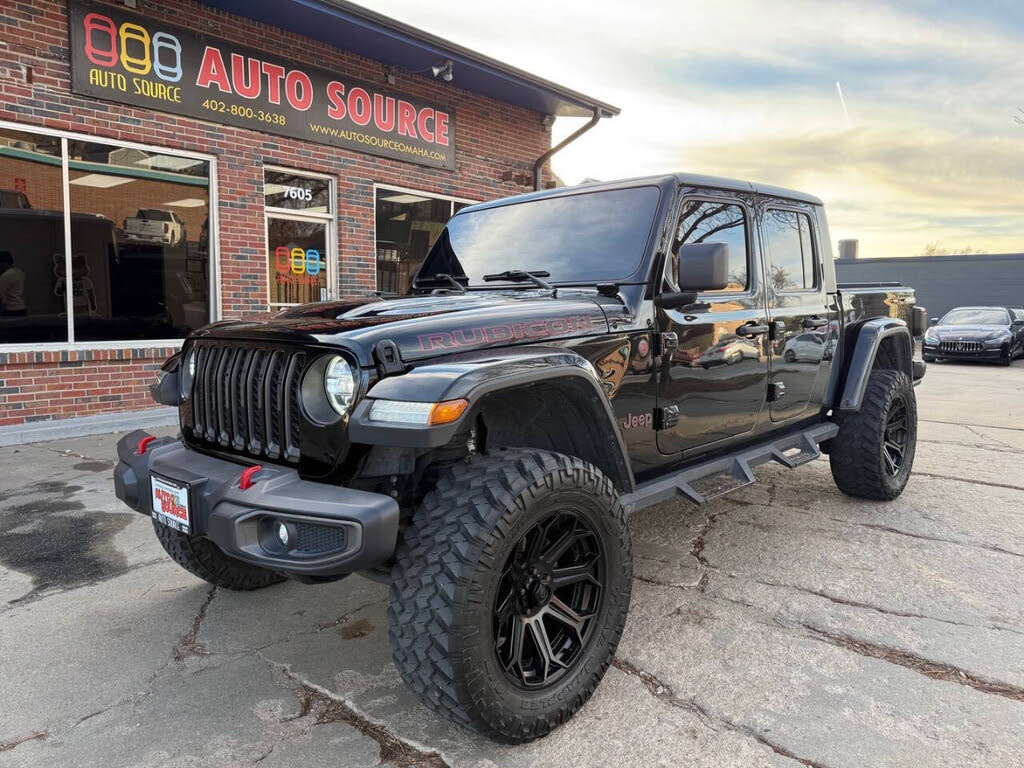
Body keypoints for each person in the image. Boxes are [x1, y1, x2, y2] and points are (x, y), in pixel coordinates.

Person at [0, 251, 26, 317]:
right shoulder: (19, 272)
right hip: (22, 308)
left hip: (11, 310)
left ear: (4, 263)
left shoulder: (6, 275)